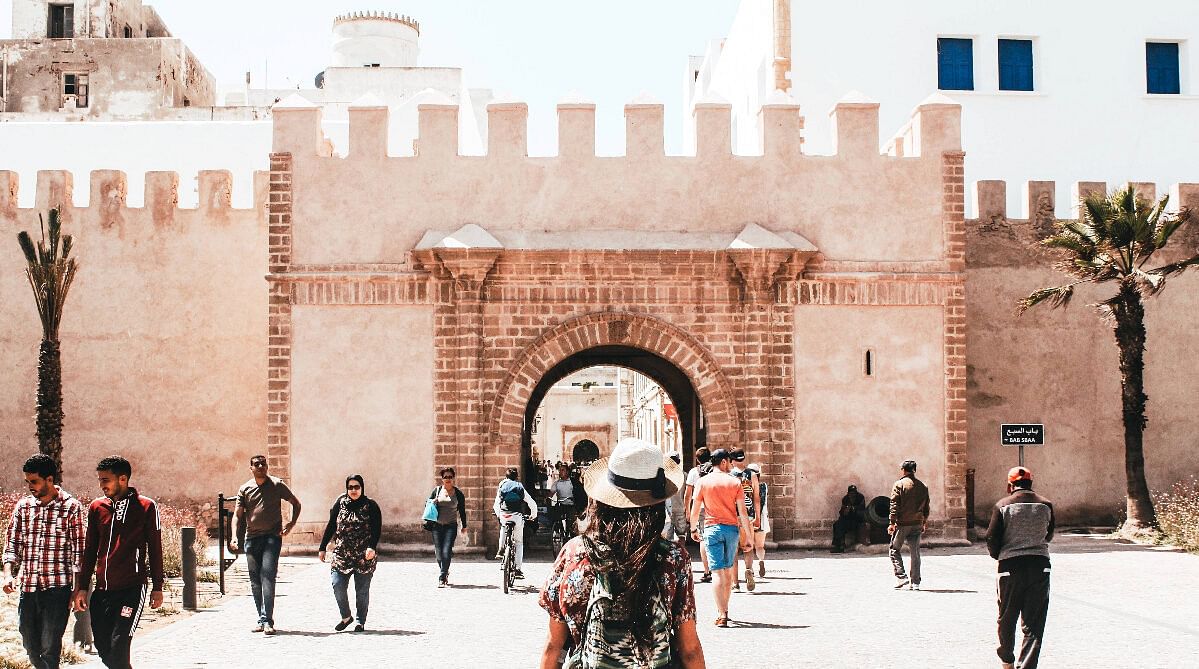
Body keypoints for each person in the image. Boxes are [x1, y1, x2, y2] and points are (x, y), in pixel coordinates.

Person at [538, 437, 705, 668]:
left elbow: (553, 646)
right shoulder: (673, 558)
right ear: (657, 503)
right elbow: (689, 650)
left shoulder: (574, 553)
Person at [72, 456, 163, 669]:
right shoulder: (97, 507)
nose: (101, 485)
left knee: (120, 644)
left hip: (132, 589)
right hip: (103, 592)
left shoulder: (146, 506)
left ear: (123, 479)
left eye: (106, 480)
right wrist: (83, 587)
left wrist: (157, 587)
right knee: (104, 648)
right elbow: (90, 550)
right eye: (100, 480)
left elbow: (155, 549)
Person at [3, 454, 85, 669]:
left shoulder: (71, 507)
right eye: (28, 482)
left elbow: (79, 552)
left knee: (49, 646)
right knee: (29, 643)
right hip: (28, 588)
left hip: (57, 589)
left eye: (34, 481)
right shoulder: (23, 507)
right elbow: (12, 544)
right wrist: (8, 574)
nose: (30, 486)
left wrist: (77, 590)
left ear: (49, 480)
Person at [986, 467, 1055, 669]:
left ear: (1010, 485)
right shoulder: (1046, 504)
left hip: (1010, 566)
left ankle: (1007, 659)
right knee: (1034, 622)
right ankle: (1026, 666)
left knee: (1007, 617)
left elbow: (991, 538)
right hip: (1039, 565)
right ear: (1031, 483)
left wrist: (999, 555)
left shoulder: (1002, 506)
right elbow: (1049, 534)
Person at [230, 454, 302, 635]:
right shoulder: (245, 488)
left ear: (267, 466)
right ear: (251, 468)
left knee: (268, 576)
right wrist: (233, 537)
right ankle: (261, 619)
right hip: (251, 539)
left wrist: (291, 524)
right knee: (255, 581)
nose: (261, 466)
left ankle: (268, 620)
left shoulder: (277, 485)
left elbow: (296, 503)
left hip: (272, 537)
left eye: (263, 464)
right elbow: (237, 515)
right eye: (257, 464)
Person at [688, 449, 753, 627]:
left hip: (711, 529)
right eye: (728, 461)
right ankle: (725, 609)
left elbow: (695, 509)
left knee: (716, 572)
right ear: (724, 462)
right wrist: (748, 536)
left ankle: (721, 613)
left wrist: (693, 528)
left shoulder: (703, 482)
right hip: (731, 530)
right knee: (727, 571)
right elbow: (743, 512)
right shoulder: (734, 482)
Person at [318, 475, 381, 631]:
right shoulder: (340, 503)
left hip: (363, 555)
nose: (353, 490)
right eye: (350, 487)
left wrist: (372, 547)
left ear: (362, 488)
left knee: (361, 590)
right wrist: (322, 547)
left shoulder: (370, 505)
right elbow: (331, 525)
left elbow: (377, 528)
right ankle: (346, 616)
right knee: (337, 584)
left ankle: (360, 621)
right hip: (342, 554)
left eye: (357, 487)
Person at [888, 459, 930, 590]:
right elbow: (926, 506)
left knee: (894, 549)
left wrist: (892, 523)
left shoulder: (899, 484)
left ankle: (901, 577)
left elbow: (894, 505)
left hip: (903, 523)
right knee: (915, 553)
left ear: (903, 470)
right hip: (917, 523)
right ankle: (915, 582)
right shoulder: (923, 486)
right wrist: (924, 521)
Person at [493, 467, 537, 579]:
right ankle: (517, 569)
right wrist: (533, 515)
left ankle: (501, 549)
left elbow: (496, 503)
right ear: (516, 477)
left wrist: (498, 514)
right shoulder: (519, 486)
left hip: (504, 514)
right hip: (517, 516)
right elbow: (531, 502)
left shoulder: (502, 485)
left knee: (503, 527)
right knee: (518, 542)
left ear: (506, 477)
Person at [428, 467, 467, 587]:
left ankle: (442, 577)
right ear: (442, 479)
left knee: (446, 551)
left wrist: (464, 526)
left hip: (451, 526)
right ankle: (444, 570)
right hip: (437, 526)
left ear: (453, 478)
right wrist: (433, 502)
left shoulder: (458, 493)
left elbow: (462, 511)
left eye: (450, 477)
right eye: (445, 477)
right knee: (439, 553)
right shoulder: (437, 491)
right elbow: (427, 504)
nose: (448, 479)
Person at [730, 453, 761, 592]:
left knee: (733, 551)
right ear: (743, 459)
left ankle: (735, 583)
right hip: (748, 516)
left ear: (732, 461)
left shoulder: (729, 476)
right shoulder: (752, 475)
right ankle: (749, 569)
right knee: (748, 547)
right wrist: (758, 516)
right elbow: (757, 498)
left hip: (732, 516)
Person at [683, 447, 712, 583]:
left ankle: (707, 571)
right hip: (714, 507)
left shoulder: (694, 472)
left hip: (699, 508)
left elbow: (688, 495)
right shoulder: (714, 471)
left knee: (703, 539)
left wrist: (688, 512)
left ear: (697, 459)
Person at [745, 463, 769, 577]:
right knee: (760, 546)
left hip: (749, 518)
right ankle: (761, 561)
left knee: (749, 547)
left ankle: (751, 569)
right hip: (762, 519)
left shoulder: (745, 487)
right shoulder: (764, 486)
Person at [831, 484, 866, 553]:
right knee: (837, 525)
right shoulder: (845, 499)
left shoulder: (860, 498)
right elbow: (842, 512)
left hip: (857, 519)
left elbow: (862, 510)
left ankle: (840, 545)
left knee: (843, 525)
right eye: (851, 493)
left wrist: (853, 509)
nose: (852, 495)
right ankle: (838, 545)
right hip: (847, 518)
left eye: (854, 493)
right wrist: (845, 511)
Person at [550, 462, 577, 545]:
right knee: (556, 516)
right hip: (561, 504)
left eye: (562, 470)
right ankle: (558, 530)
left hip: (570, 505)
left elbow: (577, 493)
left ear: (567, 472)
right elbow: (551, 493)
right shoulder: (557, 483)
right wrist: (548, 498)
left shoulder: (572, 482)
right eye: (560, 470)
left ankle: (572, 539)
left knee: (571, 524)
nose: (560, 472)